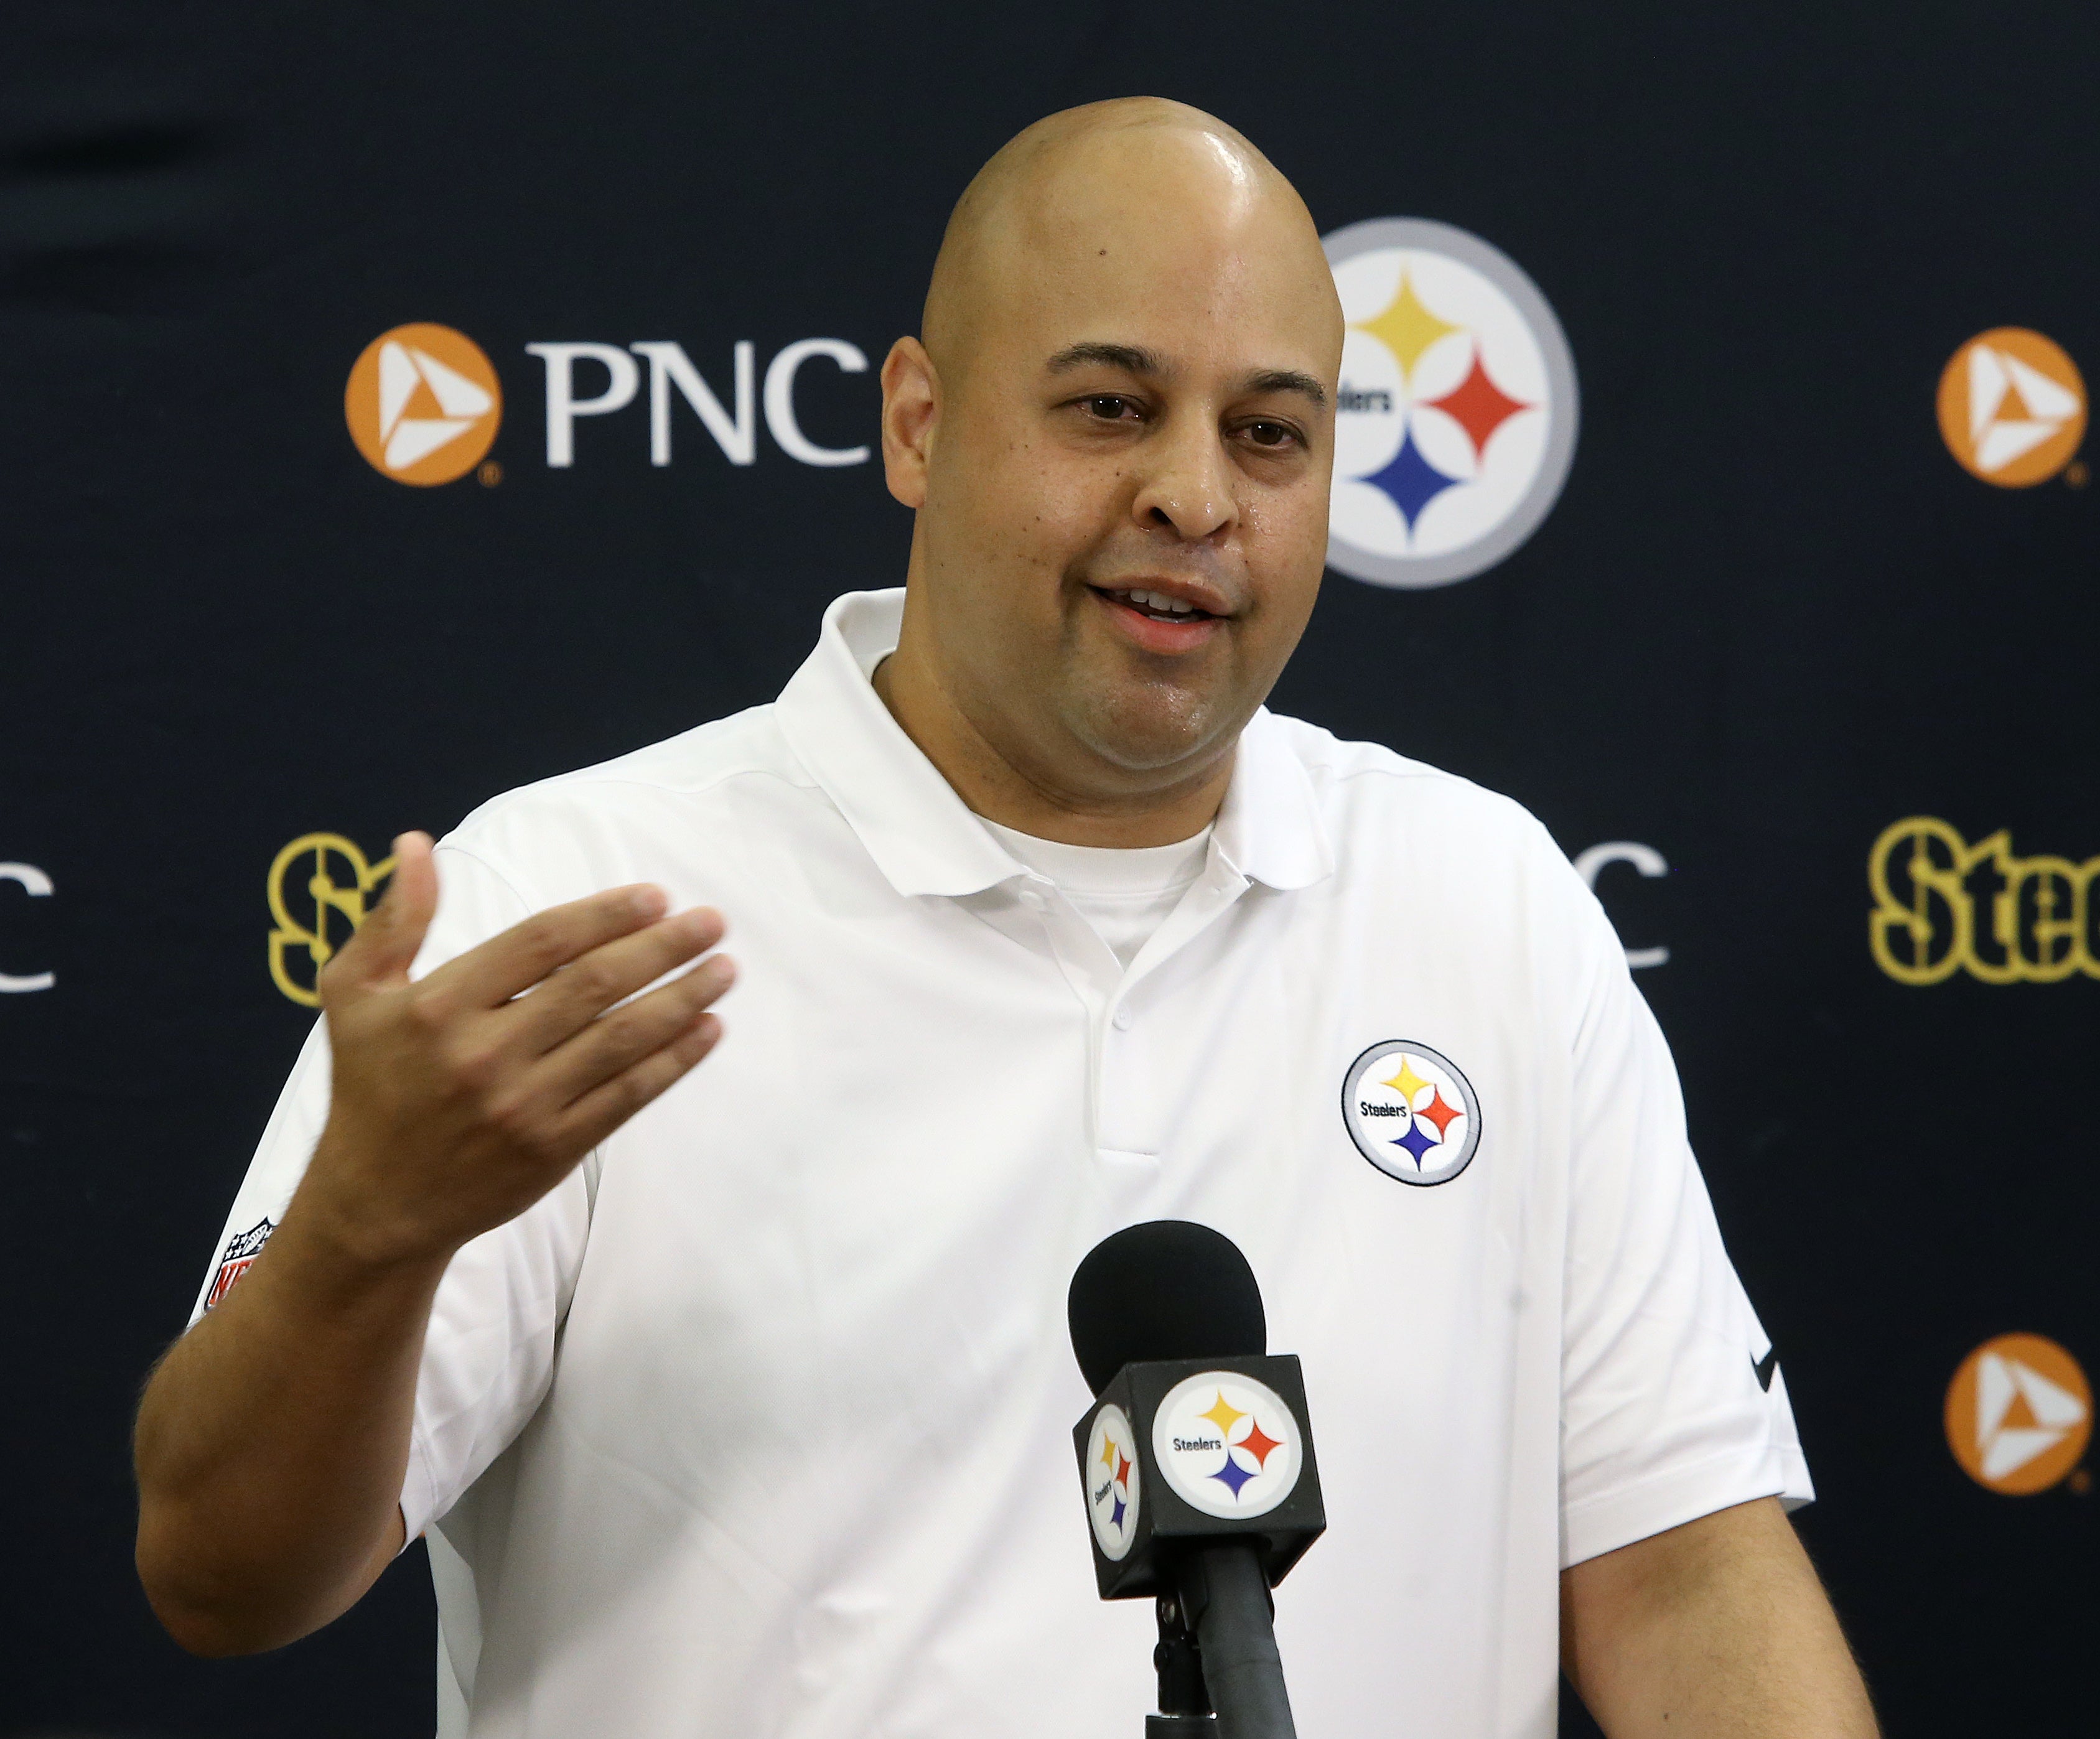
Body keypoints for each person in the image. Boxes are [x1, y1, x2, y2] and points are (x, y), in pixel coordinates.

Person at [133, 98, 1877, 1738]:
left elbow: (1684, 1573)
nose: (1196, 495)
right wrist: (368, 1234)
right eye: (1111, 407)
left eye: (1268, 432)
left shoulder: (1488, 903)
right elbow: (221, 1570)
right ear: (917, 418)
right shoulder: (578, 902)